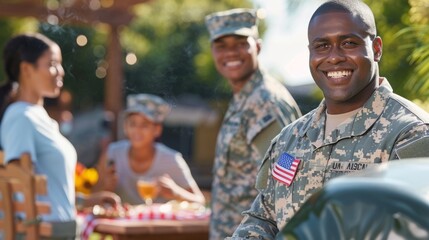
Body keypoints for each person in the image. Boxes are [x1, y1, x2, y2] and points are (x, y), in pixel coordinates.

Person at [230, 0, 429, 238]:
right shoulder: (290, 140)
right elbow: (264, 218)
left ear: (376, 49)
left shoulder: (411, 134)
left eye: (348, 43)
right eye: (322, 46)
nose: (334, 57)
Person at [0, 33, 120, 239]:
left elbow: (43, 189)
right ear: (26, 69)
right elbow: (19, 186)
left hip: (59, 230)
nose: (61, 72)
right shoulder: (20, 116)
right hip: (44, 234)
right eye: (52, 64)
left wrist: (85, 200)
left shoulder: (38, 115)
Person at [205, 8, 302, 239]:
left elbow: (286, 173)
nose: (230, 53)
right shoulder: (245, 97)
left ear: (257, 46)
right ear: (213, 52)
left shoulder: (264, 101)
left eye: (240, 43)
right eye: (221, 45)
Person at [96, 93, 206, 205]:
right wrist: (106, 187)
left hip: (159, 222)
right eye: (132, 124)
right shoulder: (112, 153)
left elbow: (200, 200)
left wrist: (176, 192)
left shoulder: (171, 159)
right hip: (121, 221)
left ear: (157, 130)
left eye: (144, 125)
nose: (137, 130)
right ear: (125, 127)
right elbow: (90, 197)